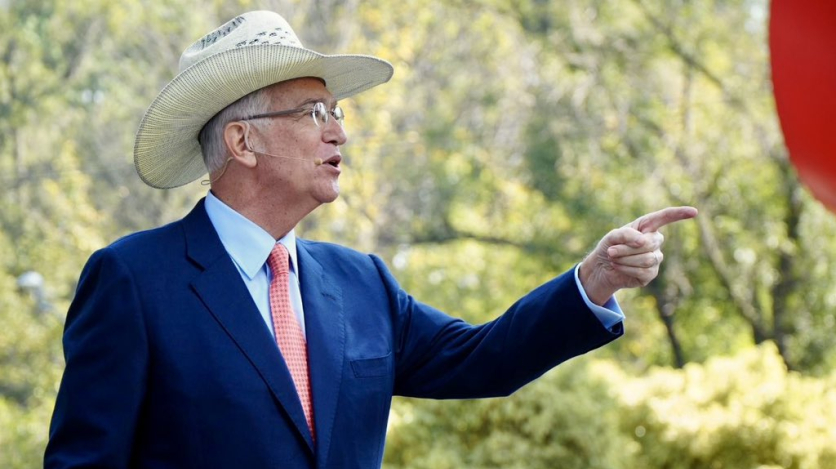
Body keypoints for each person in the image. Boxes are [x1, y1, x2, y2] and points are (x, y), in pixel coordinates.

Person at [44, 10, 697, 469]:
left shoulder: (362, 284)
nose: (339, 133)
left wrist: (595, 280)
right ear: (242, 142)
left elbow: (486, 358)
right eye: (313, 113)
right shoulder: (133, 280)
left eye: (337, 113)